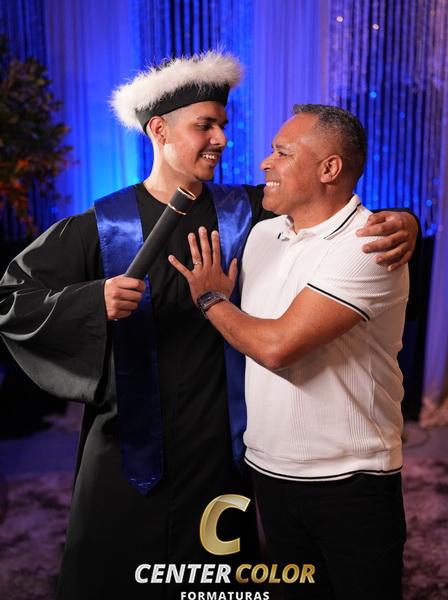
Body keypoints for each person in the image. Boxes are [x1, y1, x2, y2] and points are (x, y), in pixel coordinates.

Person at [0, 50, 416, 599]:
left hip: (221, 445)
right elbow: (14, 299)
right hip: (130, 443)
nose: (222, 139)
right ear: (159, 130)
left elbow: (330, 211)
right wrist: (91, 299)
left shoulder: (250, 212)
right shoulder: (101, 225)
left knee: (216, 579)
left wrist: (402, 221)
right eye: (205, 125)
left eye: (223, 124)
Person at [170, 104, 410, 600]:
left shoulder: (369, 244)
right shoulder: (263, 233)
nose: (265, 162)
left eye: (282, 152)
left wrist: (211, 300)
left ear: (329, 168)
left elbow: (277, 347)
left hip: (351, 479)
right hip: (270, 470)